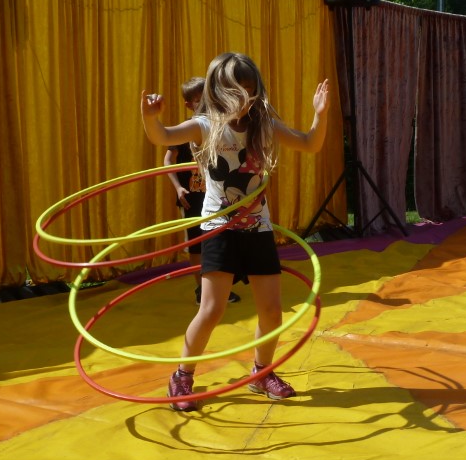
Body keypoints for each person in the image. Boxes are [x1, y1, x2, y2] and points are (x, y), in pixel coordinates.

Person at [141, 52, 329, 410]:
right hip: (219, 229)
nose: (245, 98)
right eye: (236, 90)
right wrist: (150, 117)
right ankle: (181, 376)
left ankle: (261, 372)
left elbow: (309, 144)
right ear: (218, 92)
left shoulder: (264, 126)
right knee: (211, 309)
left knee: (272, 310)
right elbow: (162, 136)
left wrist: (320, 115)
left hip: (258, 228)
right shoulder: (204, 126)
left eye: (250, 89)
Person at [164, 76, 240, 305]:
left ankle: (221, 287)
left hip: (216, 195)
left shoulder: (219, 127)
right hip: (192, 198)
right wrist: (178, 188)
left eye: (207, 98)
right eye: (198, 100)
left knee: (219, 240)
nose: (204, 103)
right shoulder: (186, 129)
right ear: (189, 105)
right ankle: (201, 289)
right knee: (197, 244)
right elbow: (168, 160)